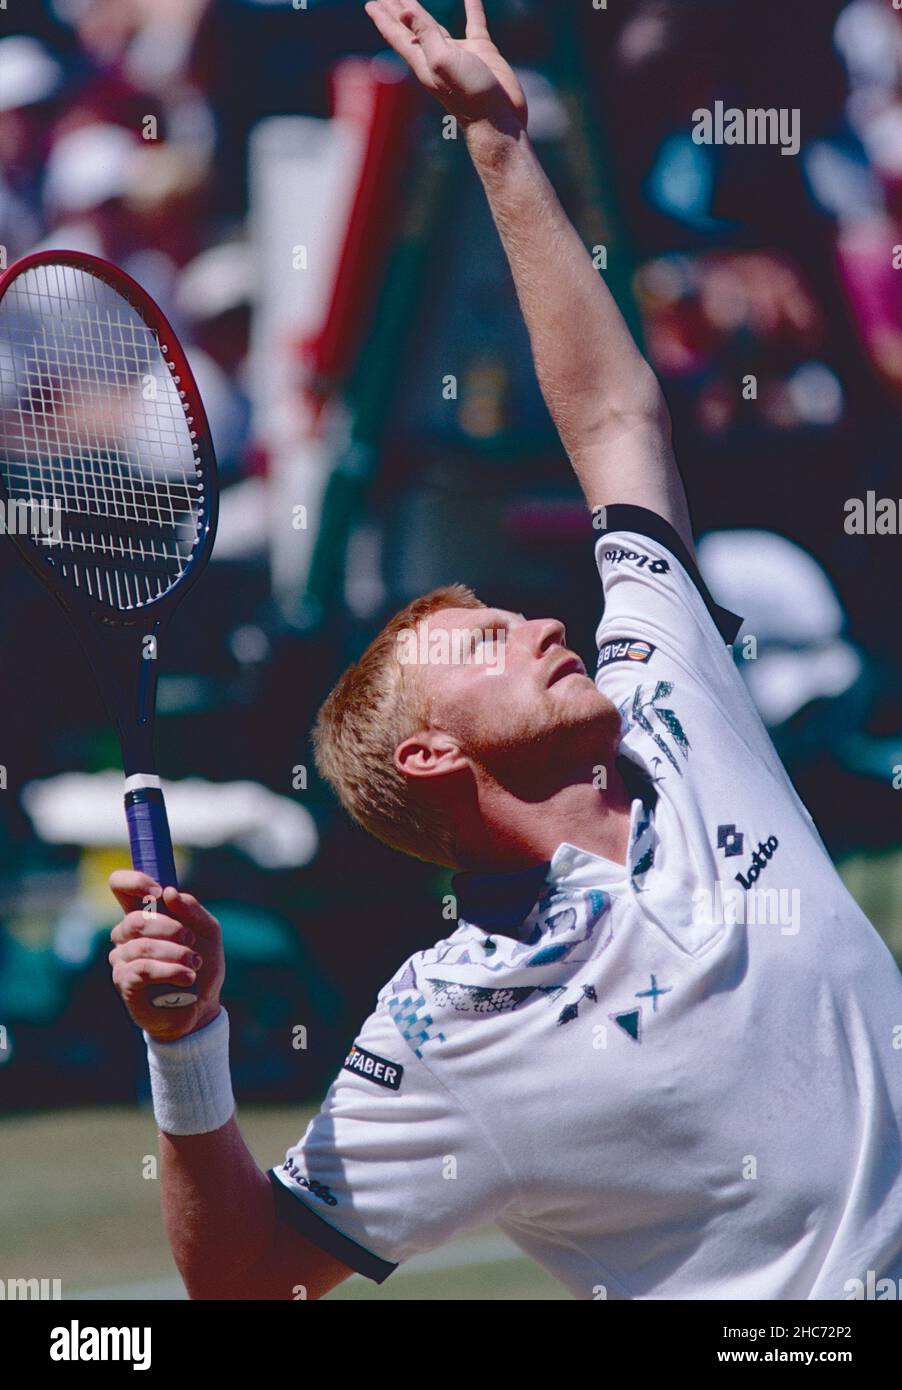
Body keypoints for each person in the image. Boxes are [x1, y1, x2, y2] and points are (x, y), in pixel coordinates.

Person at [107, 0, 902, 1300]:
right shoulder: (444, 1027)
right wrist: (185, 1044)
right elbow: (245, 1280)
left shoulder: (667, 690)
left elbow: (609, 412)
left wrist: (494, 142)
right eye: (484, 634)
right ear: (429, 753)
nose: (543, 621)